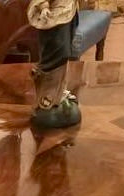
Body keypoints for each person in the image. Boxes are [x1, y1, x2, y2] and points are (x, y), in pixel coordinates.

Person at [28, 0, 82, 129]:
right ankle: (48, 99)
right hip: (53, 19)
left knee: (64, 56)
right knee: (55, 58)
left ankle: (60, 93)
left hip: (67, 13)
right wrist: (43, 6)